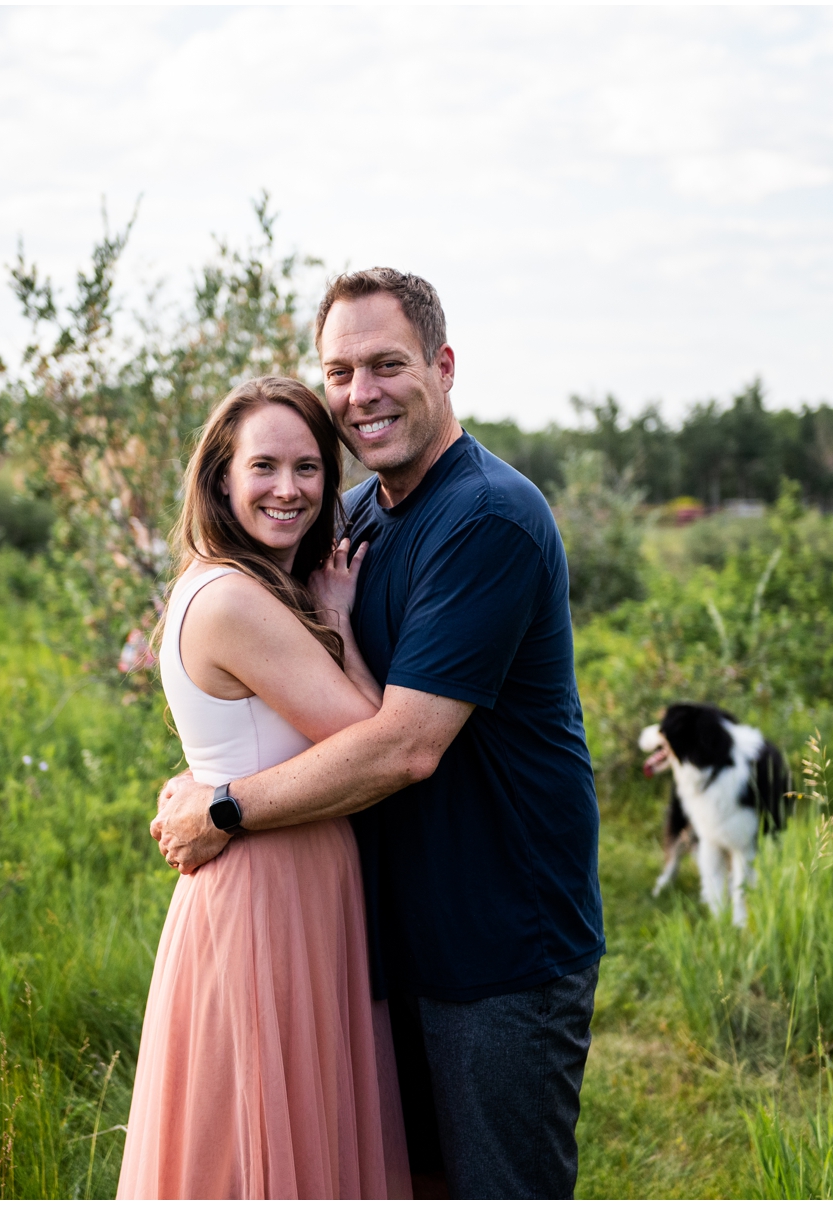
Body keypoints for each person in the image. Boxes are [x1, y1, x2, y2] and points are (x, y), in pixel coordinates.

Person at [153, 268, 604, 1199]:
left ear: (441, 366)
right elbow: (277, 688)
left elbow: (404, 744)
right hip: (377, 939)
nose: (363, 393)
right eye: (342, 370)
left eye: (387, 363)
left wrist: (226, 806)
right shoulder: (355, 520)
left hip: (497, 948)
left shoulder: (486, 519)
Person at [117, 376, 411, 1200]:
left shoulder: (244, 585)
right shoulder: (233, 597)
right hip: (266, 894)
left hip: (289, 883)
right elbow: (368, 733)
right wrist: (343, 619)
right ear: (222, 478)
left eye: (311, 468)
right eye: (265, 467)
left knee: (286, 1135)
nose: (290, 489)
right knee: (257, 1151)